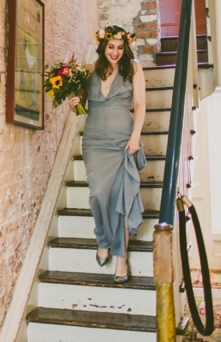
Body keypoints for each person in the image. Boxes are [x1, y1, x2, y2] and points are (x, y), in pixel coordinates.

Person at [68, 25, 146, 283]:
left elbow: (140, 104)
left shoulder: (133, 68)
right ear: (102, 47)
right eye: (111, 47)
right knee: (99, 194)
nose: (115, 52)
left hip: (123, 141)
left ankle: (121, 257)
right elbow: (79, 102)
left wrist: (135, 136)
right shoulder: (89, 71)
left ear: (126, 47)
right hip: (95, 142)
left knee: (121, 201)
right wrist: (74, 103)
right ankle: (102, 237)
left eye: (120, 47)